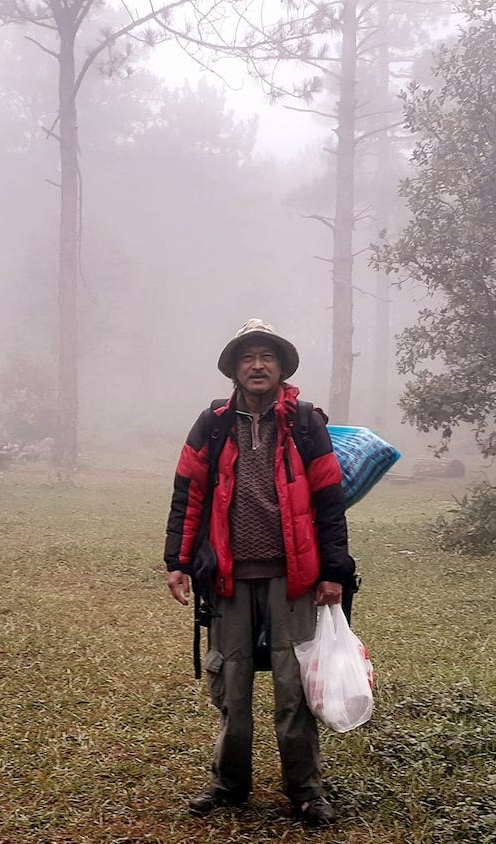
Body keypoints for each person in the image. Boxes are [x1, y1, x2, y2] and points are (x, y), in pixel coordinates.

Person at [164, 318, 355, 827]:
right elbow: (189, 493)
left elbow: (330, 502)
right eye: (247, 356)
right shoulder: (214, 423)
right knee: (232, 681)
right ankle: (229, 784)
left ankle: (307, 791)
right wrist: (177, 561)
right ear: (234, 368)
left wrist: (333, 571)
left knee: (295, 688)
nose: (257, 365)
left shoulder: (306, 423)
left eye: (266, 356)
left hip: (293, 577)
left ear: (280, 367)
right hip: (226, 575)